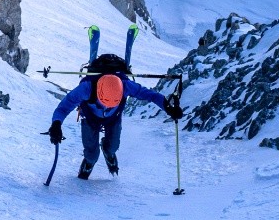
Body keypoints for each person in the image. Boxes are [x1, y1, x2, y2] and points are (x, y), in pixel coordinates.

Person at [47, 52, 182, 179]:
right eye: (105, 102)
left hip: (113, 118)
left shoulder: (126, 85)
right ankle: (89, 161)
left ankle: (108, 152)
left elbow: (151, 95)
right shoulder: (86, 88)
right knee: (91, 153)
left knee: (113, 147)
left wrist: (169, 108)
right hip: (90, 117)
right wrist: (56, 124)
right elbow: (64, 107)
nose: (107, 106)